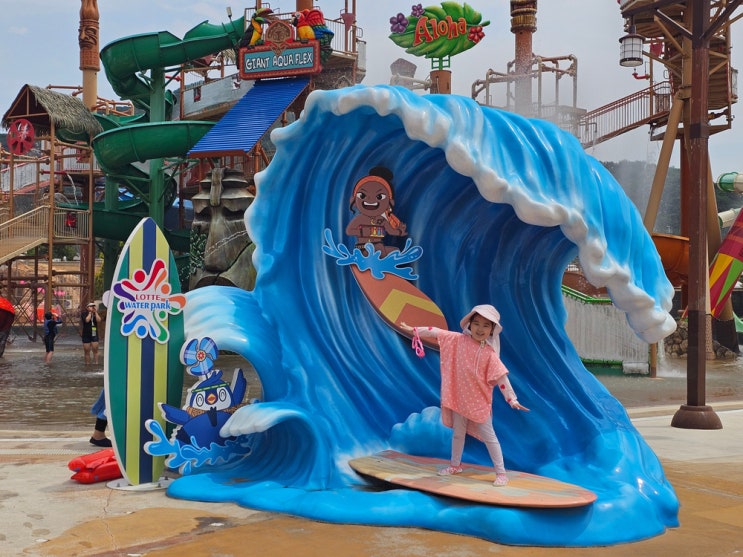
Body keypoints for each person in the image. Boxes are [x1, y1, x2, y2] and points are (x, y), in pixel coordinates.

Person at [401, 304, 529, 487]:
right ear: (469, 324)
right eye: (476, 323)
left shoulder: (490, 355)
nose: (480, 329)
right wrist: (414, 330)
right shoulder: (458, 340)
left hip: (479, 403)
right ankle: (455, 465)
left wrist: (512, 399)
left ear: (492, 330)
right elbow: (436, 332)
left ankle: (501, 474)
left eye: (486, 325)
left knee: (490, 438)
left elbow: (501, 377)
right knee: (458, 434)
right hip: (459, 398)